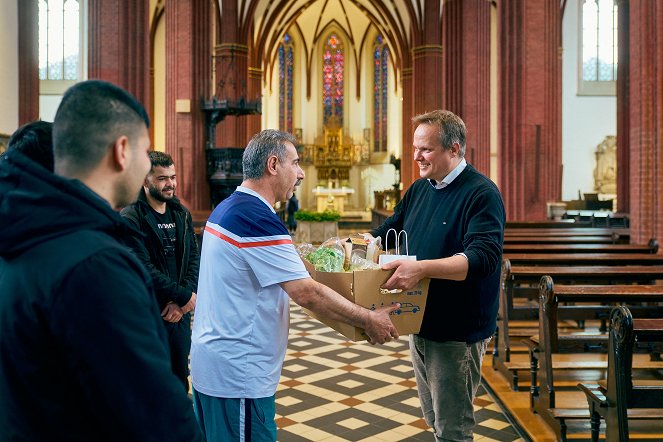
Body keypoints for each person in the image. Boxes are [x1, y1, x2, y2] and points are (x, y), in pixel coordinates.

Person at [0, 80, 204, 441]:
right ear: (122, 150)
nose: (146, 165)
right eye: (144, 151)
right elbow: (158, 418)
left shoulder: (24, 230)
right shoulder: (96, 265)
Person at [190, 129, 400, 441]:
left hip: (216, 365)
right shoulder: (256, 219)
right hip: (239, 376)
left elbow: (290, 266)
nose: (301, 173)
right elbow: (306, 292)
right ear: (273, 165)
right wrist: (367, 318)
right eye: (296, 163)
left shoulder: (229, 208)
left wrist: (333, 254)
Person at [370, 110, 505, 441]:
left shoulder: (481, 193)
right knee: (434, 416)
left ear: (454, 149)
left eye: (425, 149)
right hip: (421, 322)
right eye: (415, 147)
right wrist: (363, 243)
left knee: (453, 427)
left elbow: (482, 259)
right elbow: (389, 229)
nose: (416, 156)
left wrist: (421, 268)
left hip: (457, 330)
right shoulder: (420, 189)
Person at [121, 151, 199, 390]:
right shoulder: (131, 217)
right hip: (149, 313)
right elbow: (142, 268)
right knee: (148, 384)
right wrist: (184, 297)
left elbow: (193, 259)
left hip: (178, 316)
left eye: (173, 177)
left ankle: (176, 428)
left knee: (178, 379)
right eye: (163, 178)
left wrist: (183, 303)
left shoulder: (181, 213)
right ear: (145, 181)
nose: (171, 184)